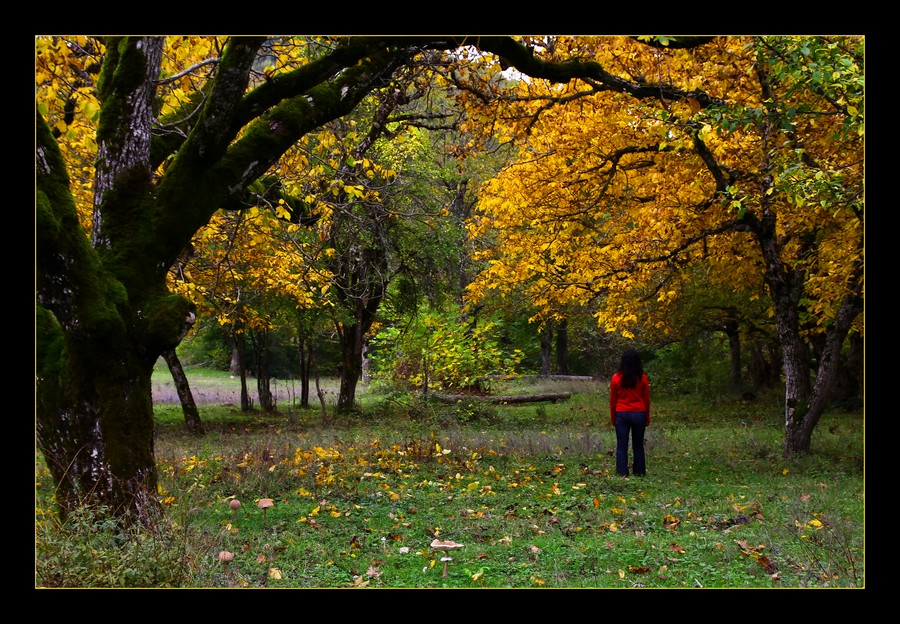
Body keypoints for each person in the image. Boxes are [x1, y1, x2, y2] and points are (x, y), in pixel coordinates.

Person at [609, 349, 650, 477]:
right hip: (639, 413)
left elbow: (613, 400)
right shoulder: (642, 378)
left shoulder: (616, 378)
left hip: (621, 413)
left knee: (622, 445)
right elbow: (646, 399)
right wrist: (647, 417)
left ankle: (622, 472)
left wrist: (613, 418)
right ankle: (639, 472)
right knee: (638, 445)